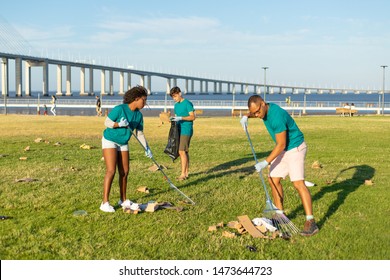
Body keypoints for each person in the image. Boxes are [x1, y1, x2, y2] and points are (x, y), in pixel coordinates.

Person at [240, 95, 319, 236]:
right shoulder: (262, 109)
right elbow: (254, 111)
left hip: (295, 148)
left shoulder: (276, 117)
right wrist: (247, 116)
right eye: (254, 113)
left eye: (257, 112)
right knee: (273, 178)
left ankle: (311, 222)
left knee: (298, 183)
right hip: (284, 150)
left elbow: (281, 144)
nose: (257, 116)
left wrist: (266, 162)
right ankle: (280, 216)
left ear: (263, 104)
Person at [100, 86, 153, 213]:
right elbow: (107, 122)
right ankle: (104, 203)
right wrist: (119, 124)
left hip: (123, 142)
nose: (145, 103)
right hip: (110, 140)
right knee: (111, 170)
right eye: (144, 100)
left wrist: (147, 148)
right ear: (136, 99)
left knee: (125, 172)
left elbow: (139, 133)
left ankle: (123, 200)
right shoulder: (120, 109)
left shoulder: (139, 116)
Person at [169, 86, 196, 181]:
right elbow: (177, 117)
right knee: (184, 152)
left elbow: (193, 117)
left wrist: (181, 118)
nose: (174, 99)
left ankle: (183, 174)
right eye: (172, 97)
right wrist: (173, 119)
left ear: (180, 93)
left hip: (186, 130)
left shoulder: (188, 103)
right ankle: (186, 173)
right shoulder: (176, 105)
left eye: (175, 96)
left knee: (181, 151)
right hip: (179, 130)